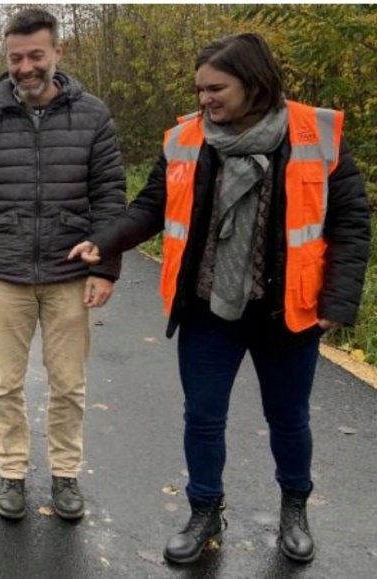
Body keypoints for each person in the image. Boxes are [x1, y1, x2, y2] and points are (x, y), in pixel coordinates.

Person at [69, 33, 370, 563]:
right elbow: (150, 206)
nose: (205, 99)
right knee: (203, 417)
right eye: (200, 89)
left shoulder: (315, 133)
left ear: (253, 82)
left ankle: (294, 509)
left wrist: (338, 303)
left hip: (287, 312)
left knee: (290, 418)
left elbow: (350, 223)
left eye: (216, 88)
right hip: (208, 310)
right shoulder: (187, 138)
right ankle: (204, 511)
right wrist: (106, 240)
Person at [0, 8, 126, 521]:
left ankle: (65, 476)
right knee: (5, 384)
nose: (25, 67)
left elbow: (110, 196)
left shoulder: (92, 115)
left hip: (71, 275)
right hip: (5, 275)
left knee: (68, 384)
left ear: (57, 53)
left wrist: (105, 267)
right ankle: (13, 474)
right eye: (15, 58)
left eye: (35, 55)